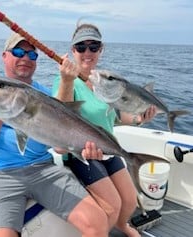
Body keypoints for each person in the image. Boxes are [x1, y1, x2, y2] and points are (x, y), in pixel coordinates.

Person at [0, 32, 112, 237]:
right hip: (0, 175)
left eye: (31, 55)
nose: (25, 58)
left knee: (98, 222)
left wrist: (84, 148)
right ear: (4, 56)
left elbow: (60, 146)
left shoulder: (43, 94)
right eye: (18, 52)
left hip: (45, 169)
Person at [53, 22, 157, 237]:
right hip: (81, 153)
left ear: (101, 50)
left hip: (108, 147)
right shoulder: (65, 81)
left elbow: (118, 116)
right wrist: (66, 80)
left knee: (129, 201)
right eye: (81, 47)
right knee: (113, 204)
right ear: (73, 51)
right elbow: (59, 118)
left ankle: (122, 225)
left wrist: (139, 119)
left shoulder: (106, 82)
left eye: (93, 47)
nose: (87, 52)